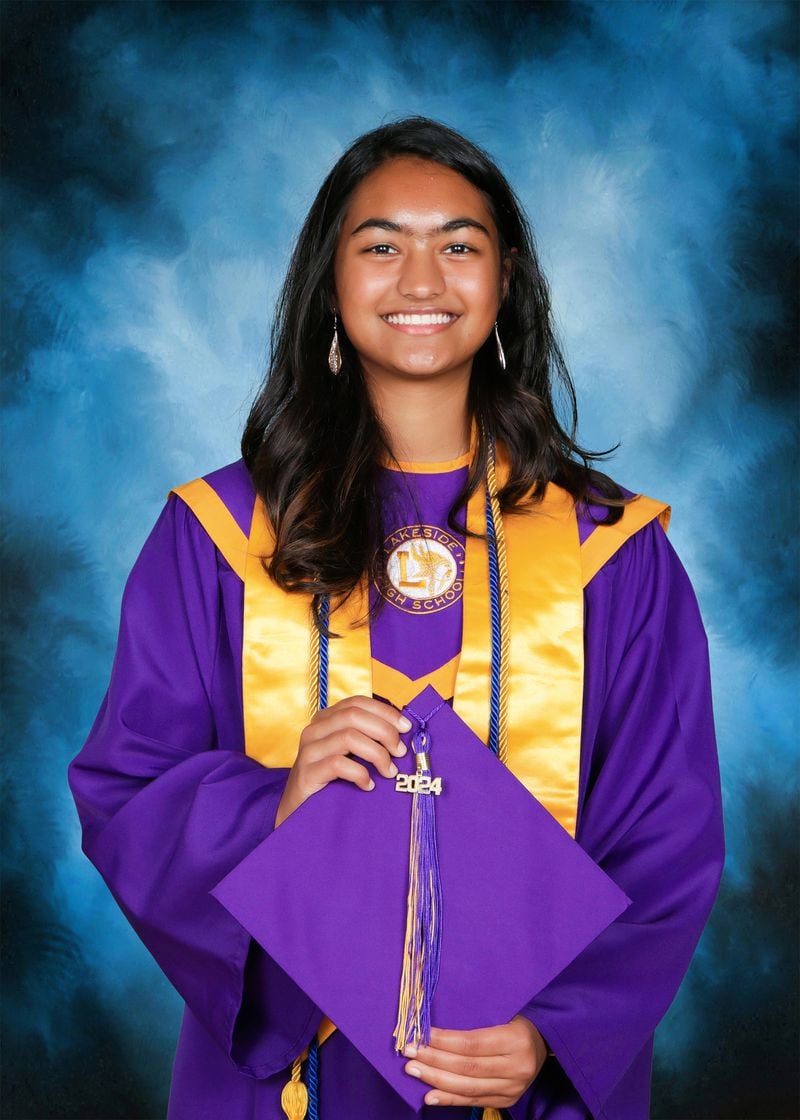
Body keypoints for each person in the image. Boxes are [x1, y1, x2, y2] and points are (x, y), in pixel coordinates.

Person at [68, 117, 725, 1120]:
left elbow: (666, 836)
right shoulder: (213, 537)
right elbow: (127, 786)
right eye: (380, 246)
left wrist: (554, 1031)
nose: (420, 282)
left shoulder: (614, 555)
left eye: (457, 245)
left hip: (513, 1077)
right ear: (327, 285)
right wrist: (273, 801)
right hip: (294, 1083)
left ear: (505, 284)